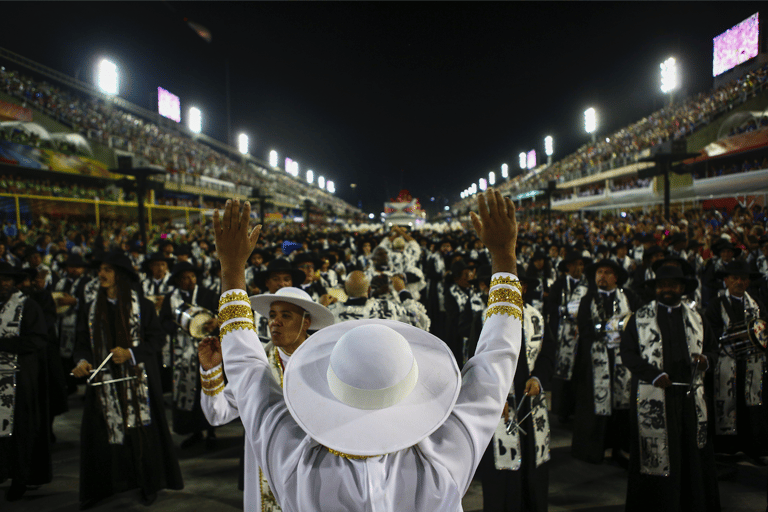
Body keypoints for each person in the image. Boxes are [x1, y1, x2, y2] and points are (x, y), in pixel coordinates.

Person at [208, 190, 521, 511]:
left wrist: (231, 269)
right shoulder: (444, 463)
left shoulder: (296, 466)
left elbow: (247, 374)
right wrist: (504, 257)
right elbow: (494, 366)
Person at [199, 286, 335, 512]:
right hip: (268, 467)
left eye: (286, 316)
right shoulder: (258, 366)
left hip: (316, 469)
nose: (275, 322)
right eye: (272, 315)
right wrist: (210, 370)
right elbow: (217, 414)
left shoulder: (327, 362)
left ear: (306, 323)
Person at [72, 252, 183, 509]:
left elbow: (157, 340)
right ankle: (103, 487)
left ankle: (148, 484)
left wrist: (130, 353)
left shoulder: (141, 306)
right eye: (100, 269)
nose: (101, 274)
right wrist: (81, 362)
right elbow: (81, 344)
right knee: (103, 434)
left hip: (138, 382)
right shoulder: (90, 308)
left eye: (108, 270)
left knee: (142, 433)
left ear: (120, 276)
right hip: (104, 384)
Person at [620, 265, 720, 512]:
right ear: (655, 288)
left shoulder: (697, 317)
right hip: (654, 394)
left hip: (689, 397)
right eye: (662, 285)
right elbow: (628, 354)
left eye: (672, 285)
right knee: (656, 454)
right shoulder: (640, 317)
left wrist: (706, 360)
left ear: (682, 288)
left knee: (691, 453)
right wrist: (654, 375)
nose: (667, 289)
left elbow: (714, 349)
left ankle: (692, 502)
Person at [475, 269, 555, 512]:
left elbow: (547, 354)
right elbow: (473, 361)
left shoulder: (535, 317)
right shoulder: (484, 318)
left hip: (530, 400)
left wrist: (539, 379)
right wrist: (492, 395)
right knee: (502, 465)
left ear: (524, 289)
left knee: (532, 459)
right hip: (500, 402)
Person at [571, 259, 640, 466]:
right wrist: (603, 337)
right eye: (599, 272)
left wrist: (623, 338)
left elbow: (638, 325)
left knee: (622, 406)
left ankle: (621, 448)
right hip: (595, 361)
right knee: (596, 406)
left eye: (607, 272)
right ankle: (594, 448)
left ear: (615, 277)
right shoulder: (587, 299)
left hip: (622, 359)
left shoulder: (629, 297)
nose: (602, 276)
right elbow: (583, 329)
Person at [704, 260, 767, 458]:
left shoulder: (756, 304)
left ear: (748, 282)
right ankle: (727, 447)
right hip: (726, 363)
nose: (739, 282)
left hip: (752, 363)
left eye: (743, 279)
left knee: (752, 404)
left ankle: (753, 445)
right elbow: (710, 332)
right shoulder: (716, 304)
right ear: (726, 281)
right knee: (727, 402)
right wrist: (732, 336)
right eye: (735, 278)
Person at [0, 262, 51, 501]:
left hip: (19, 378)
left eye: (7, 279)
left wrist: (5, 345)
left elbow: (38, 339)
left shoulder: (27, 306)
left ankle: (20, 478)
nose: (2, 284)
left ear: (14, 282)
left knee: (20, 430)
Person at [160, 261, 219, 448]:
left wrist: (215, 322)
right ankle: (194, 430)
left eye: (192, 276)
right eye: (185, 277)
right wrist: (179, 328)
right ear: (178, 280)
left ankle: (211, 430)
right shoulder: (171, 298)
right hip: (182, 353)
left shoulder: (207, 294)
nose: (190, 280)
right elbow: (163, 322)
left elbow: (221, 314)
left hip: (207, 350)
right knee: (188, 392)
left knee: (209, 387)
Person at [545, 249, 591, 422]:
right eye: (574, 265)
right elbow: (550, 306)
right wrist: (565, 310)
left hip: (581, 335)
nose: (578, 268)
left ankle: (577, 410)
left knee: (578, 373)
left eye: (580, 264)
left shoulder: (588, 284)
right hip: (562, 333)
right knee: (562, 373)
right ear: (568, 267)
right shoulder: (559, 284)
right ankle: (561, 411)